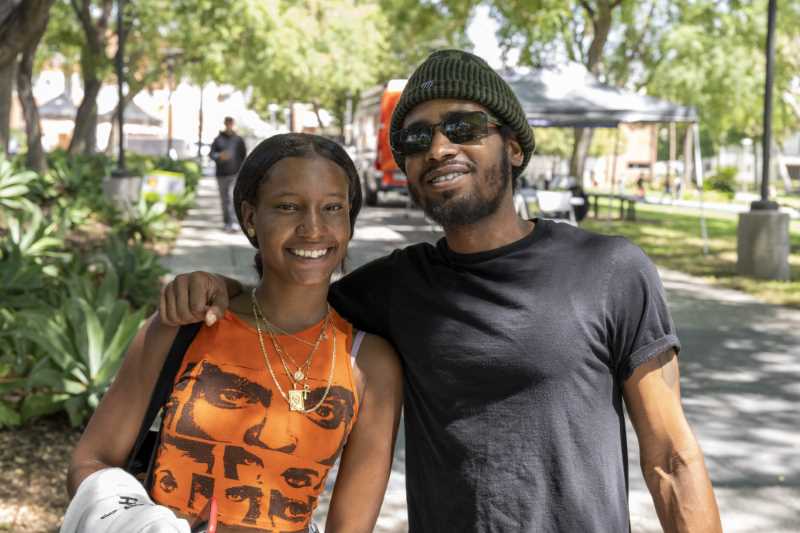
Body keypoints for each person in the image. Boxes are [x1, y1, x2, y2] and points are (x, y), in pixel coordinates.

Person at [162, 50, 722, 532]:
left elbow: (671, 458)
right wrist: (218, 286)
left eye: (464, 127)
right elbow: (286, 305)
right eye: (417, 136)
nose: (439, 147)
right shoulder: (396, 285)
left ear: (515, 149)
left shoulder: (609, 269)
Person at [61, 133, 403, 533]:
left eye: (332, 208)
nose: (313, 228)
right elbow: (89, 463)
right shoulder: (186, 326)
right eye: (288, 206)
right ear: (250, 217)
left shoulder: (369, 365)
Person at [210, 117, 248, 232]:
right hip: (221, 174)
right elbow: (211, 154)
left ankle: (234, 223)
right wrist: (219, 156)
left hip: (235, 174)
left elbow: (244, 156)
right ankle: (227, 222)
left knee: (232, 198)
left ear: (233, 124)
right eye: (227, 123)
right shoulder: (218, 139)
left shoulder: (238, 140)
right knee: (224, 199)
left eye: (231, 123)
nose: (229, 125)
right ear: (225, 124)